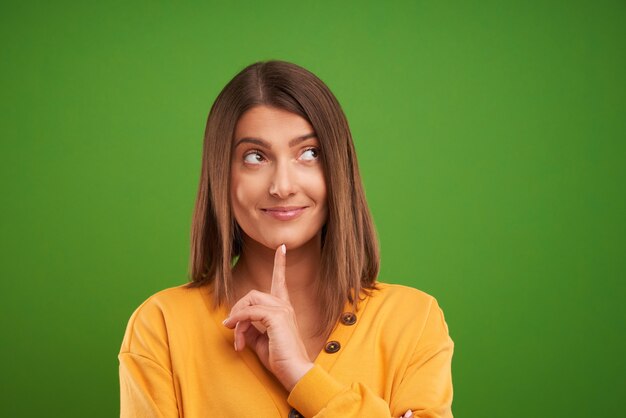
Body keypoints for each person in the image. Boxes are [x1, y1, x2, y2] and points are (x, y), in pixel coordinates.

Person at [119, 60, 454, 418]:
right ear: (221, 175)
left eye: (309, 153)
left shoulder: (413, 321)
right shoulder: (162, 327)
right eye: (255, 157)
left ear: (339, 169)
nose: (282, 186)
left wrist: (302, 376)